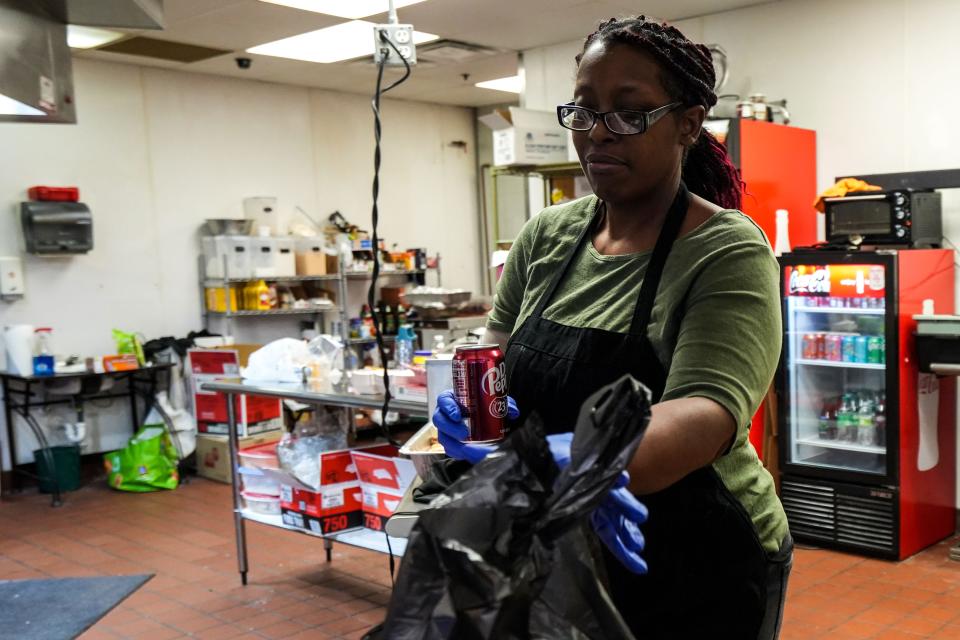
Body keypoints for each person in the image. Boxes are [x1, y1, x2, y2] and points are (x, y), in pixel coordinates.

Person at [434, 15, 791, 640]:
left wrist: (588, 457)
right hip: (559, 533)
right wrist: (473, 406)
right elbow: (495, 351)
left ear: (687, 122)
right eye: (584, 110)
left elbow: (704, 415)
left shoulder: (725, 251)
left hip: (694, 553)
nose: (598, 133)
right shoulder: (547, 235)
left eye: (630, 112)